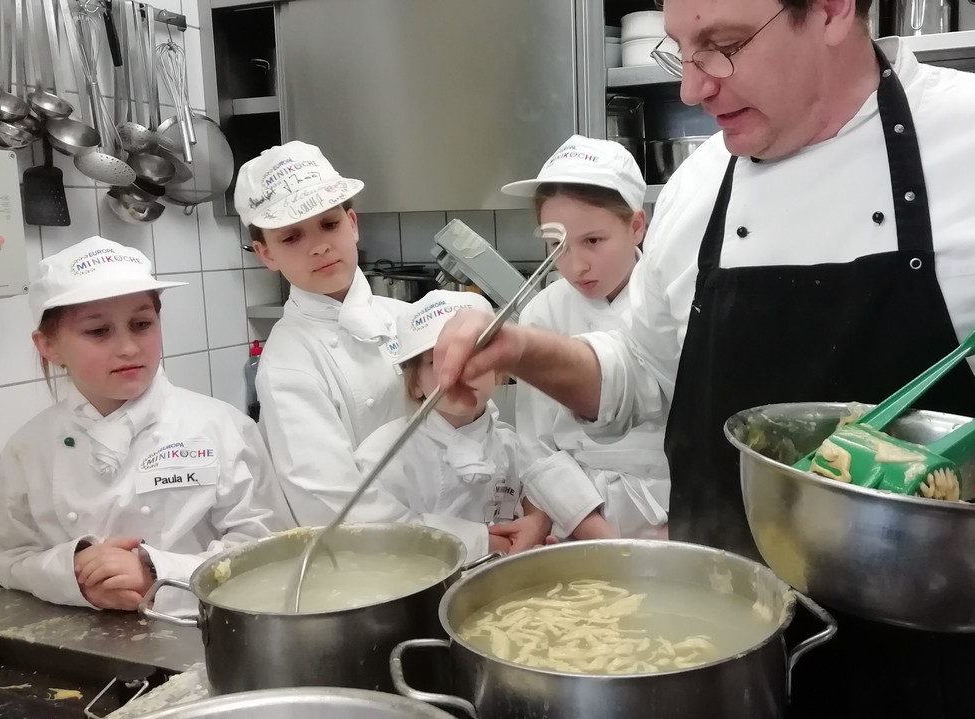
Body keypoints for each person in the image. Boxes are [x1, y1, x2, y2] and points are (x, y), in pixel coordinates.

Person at [429, 0, 975, 715]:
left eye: (723, 45)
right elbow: (641, 378)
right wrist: (522, 347)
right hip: (724, 659)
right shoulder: (695, 191)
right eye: (681, 49)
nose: (693, 88)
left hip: (952, 667)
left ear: (832, 9)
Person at [0, 237, 294, 614]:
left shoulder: (221, 427)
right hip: (79, 638)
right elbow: (8, 558)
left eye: (142, 324)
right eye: (98, 331)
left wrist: (157, 574)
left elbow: (269, 549)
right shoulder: (28, 449)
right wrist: (75, 574)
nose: (129, 347)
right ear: (49, 346)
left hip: (204, 632)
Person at [353, 290, 614, 557]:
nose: (459, 373)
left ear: (498, 372)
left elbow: (540, 493)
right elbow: (377, 535)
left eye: (474, 359)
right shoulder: (383, 456)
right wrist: (488, 544)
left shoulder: (512, 446)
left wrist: (537, 523)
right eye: (437, 362)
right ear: (415, 383)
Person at [503, 135, 671, 539]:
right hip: (577, 519)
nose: (575, 266)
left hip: (675, 517)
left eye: (593, 241)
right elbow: (537, 446)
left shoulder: (674, 302)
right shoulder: (542, 313)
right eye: (556, 245)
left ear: (636, 226)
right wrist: (596, 533)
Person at [236, 141, 412, 526]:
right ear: (266, 254)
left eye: (329, 224)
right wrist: (458, 535)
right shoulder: (287, 363)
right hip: (378, 552)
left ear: (352, 224)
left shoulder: (408, 318)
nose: (319, 247)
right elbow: (331, 504)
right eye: (291, 237)